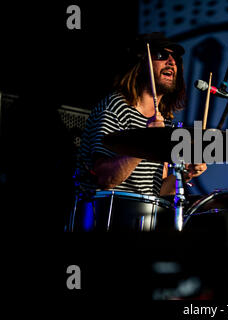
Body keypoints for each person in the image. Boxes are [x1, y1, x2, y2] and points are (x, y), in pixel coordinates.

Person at [71, 33, 207, 231]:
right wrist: (147, 143)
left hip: (142, 222)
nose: (171, 62)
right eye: (161, 55)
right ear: (141, 63)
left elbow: (157, 192)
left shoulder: (165, 123)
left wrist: (186, 174)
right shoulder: (115, 107)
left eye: (175, 58)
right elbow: (104, 179)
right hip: (104, 219)